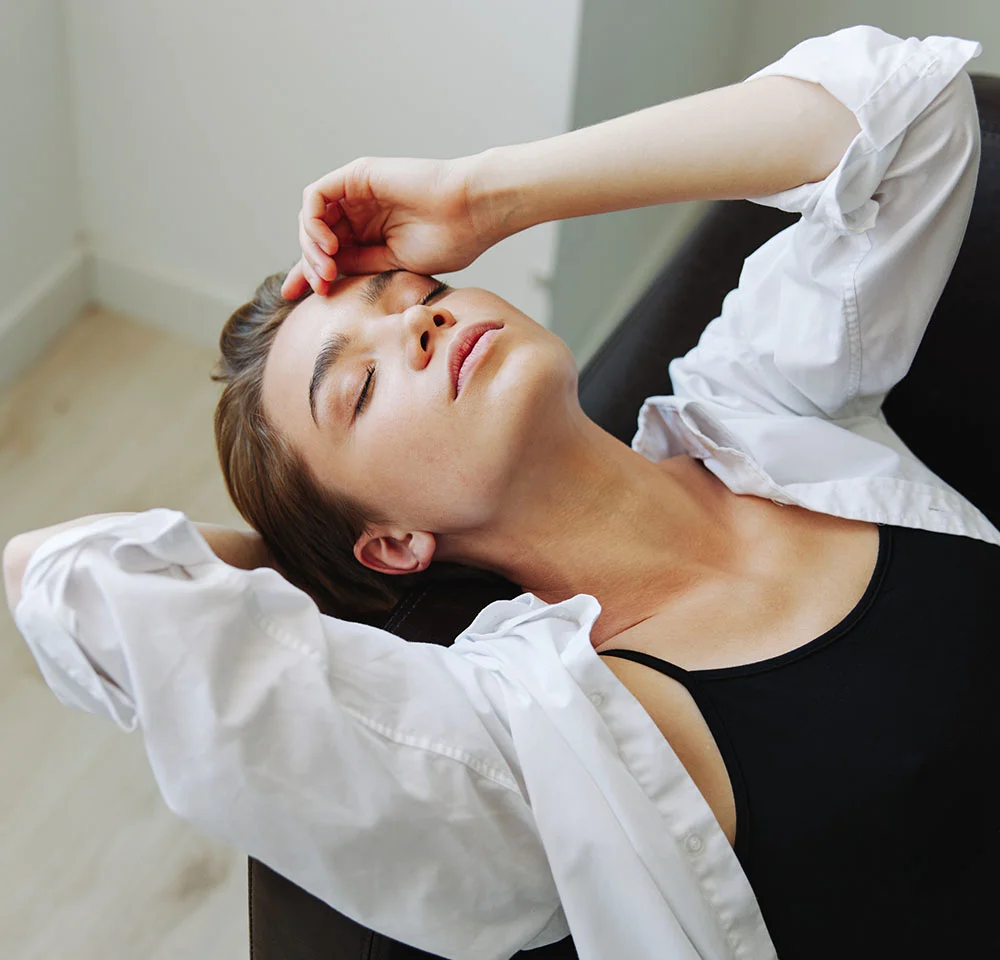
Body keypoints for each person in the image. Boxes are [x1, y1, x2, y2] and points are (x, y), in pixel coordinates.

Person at [3, 24, 997, 960]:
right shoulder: (538, 740)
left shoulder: (758, 404)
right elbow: (67, 575)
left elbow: (907, 113)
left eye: (420, 294)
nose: (419, 329)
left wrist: (487, 193)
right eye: (359, 384)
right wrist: (313, 567)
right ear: (390, 540)